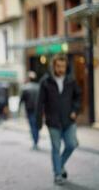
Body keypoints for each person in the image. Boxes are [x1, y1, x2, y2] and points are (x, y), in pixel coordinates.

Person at [36, 54, 81, 185]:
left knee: (72, 144)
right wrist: (39, 122)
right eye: (58, 66)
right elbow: (40, 103)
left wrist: (75, 110)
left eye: (63, 66)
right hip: (53, 122)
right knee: (56, 148)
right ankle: (58, 174)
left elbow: (77, 97)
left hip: (69, 120)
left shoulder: (70, 80)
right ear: (53, 66)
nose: (61, 69)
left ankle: (59, 166)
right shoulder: (45, 81)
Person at [19, 71, 40, 150]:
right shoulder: (38, 87)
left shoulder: (25, 88)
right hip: (37, 110)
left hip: (30, 110)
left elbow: (22, 100)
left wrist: (19, 108)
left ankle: (35, 142)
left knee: (33, 126)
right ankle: (36, 140)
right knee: (36, 125)